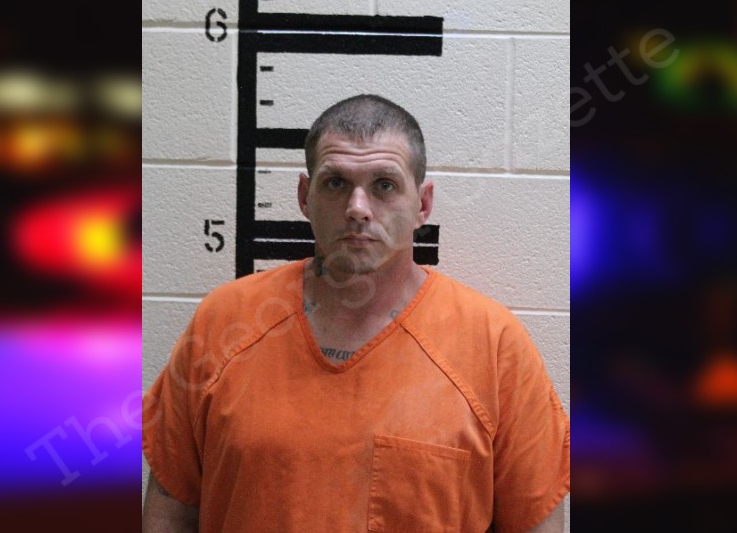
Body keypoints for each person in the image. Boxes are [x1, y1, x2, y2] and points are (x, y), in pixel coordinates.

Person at [142, 94, 570, 533]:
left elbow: (535, 524)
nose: (357, 208)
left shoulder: (494, 345)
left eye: (384, 185)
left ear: (422, 205)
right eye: (336, 183)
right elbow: (170, 513)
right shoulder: (225, 322)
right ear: (305, 197)